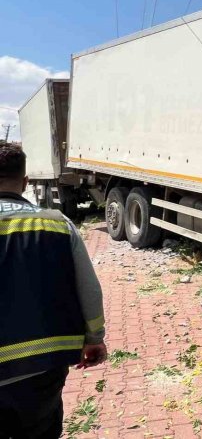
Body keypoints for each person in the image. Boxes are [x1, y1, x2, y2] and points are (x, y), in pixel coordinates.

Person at [0, 143, 107, 438]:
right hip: (41, 371)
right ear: (25, 183)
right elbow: (89, 290)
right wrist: (94, 339)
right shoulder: (58, 224)